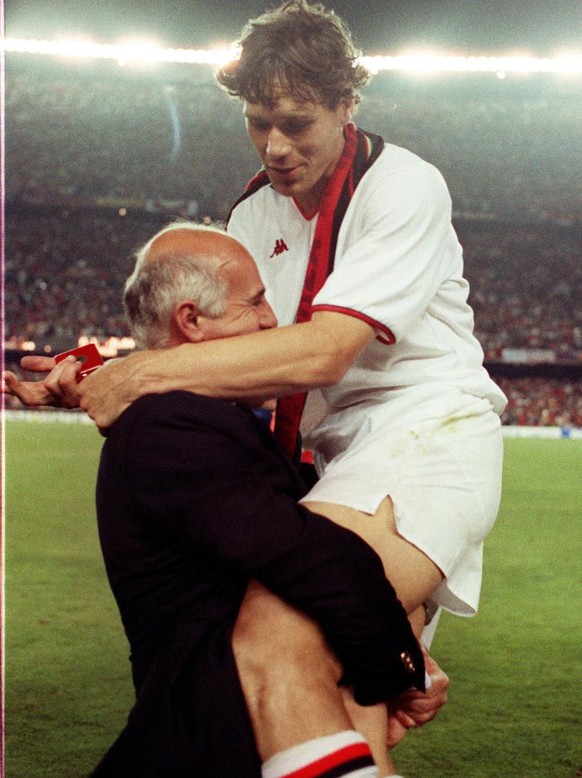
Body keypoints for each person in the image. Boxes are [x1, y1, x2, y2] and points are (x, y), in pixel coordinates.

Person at [4, 0, 495, 766]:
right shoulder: (251, 213)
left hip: (423, 438)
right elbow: (229, 339)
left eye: (297, 123)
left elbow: (325, 351)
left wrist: (134, 378)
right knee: (341, 712)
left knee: (274, 636)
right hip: (329, 465)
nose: (274, 146)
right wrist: (97, 369)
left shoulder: (404, 185)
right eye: (257, 121)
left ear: (346, 104)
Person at [88, 222, 429, 778]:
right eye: (256, 303)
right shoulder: (168, 423)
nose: (273, 320)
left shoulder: (203, 420)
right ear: (191, 321)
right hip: (217, 726)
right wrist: (399, 668)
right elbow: (309, 556)